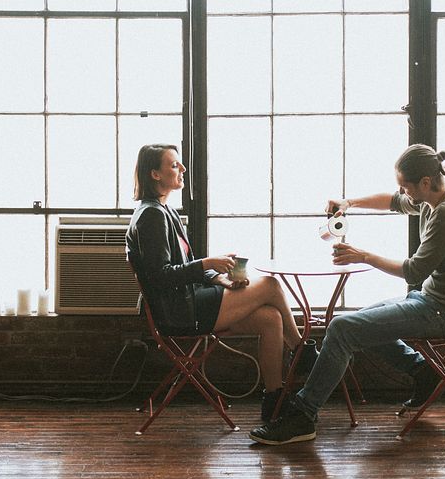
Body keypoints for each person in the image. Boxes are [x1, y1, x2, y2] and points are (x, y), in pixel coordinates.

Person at [248, 144, 445, 445]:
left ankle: (302, 416)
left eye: (406, 186)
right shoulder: (433, 199)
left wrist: (362, 256)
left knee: (342, 329)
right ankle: (423, 371)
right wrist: (349, 202)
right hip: (430, 301)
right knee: (358, 321)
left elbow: (413, 271)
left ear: (425, 182)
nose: (403, 192)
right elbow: (393, 202)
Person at [126, 143, 316, 422]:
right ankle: (302, 354)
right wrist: (207, 263)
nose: (183, 168)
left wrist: (220, 278)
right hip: (179, 312)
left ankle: (275, 401)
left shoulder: (165, 211)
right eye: (174, 164)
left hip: (188, 302)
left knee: (271, 318)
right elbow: (160, 276)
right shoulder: (152, 216)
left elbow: (183, 267)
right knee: (272, 285)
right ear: (155, 174)